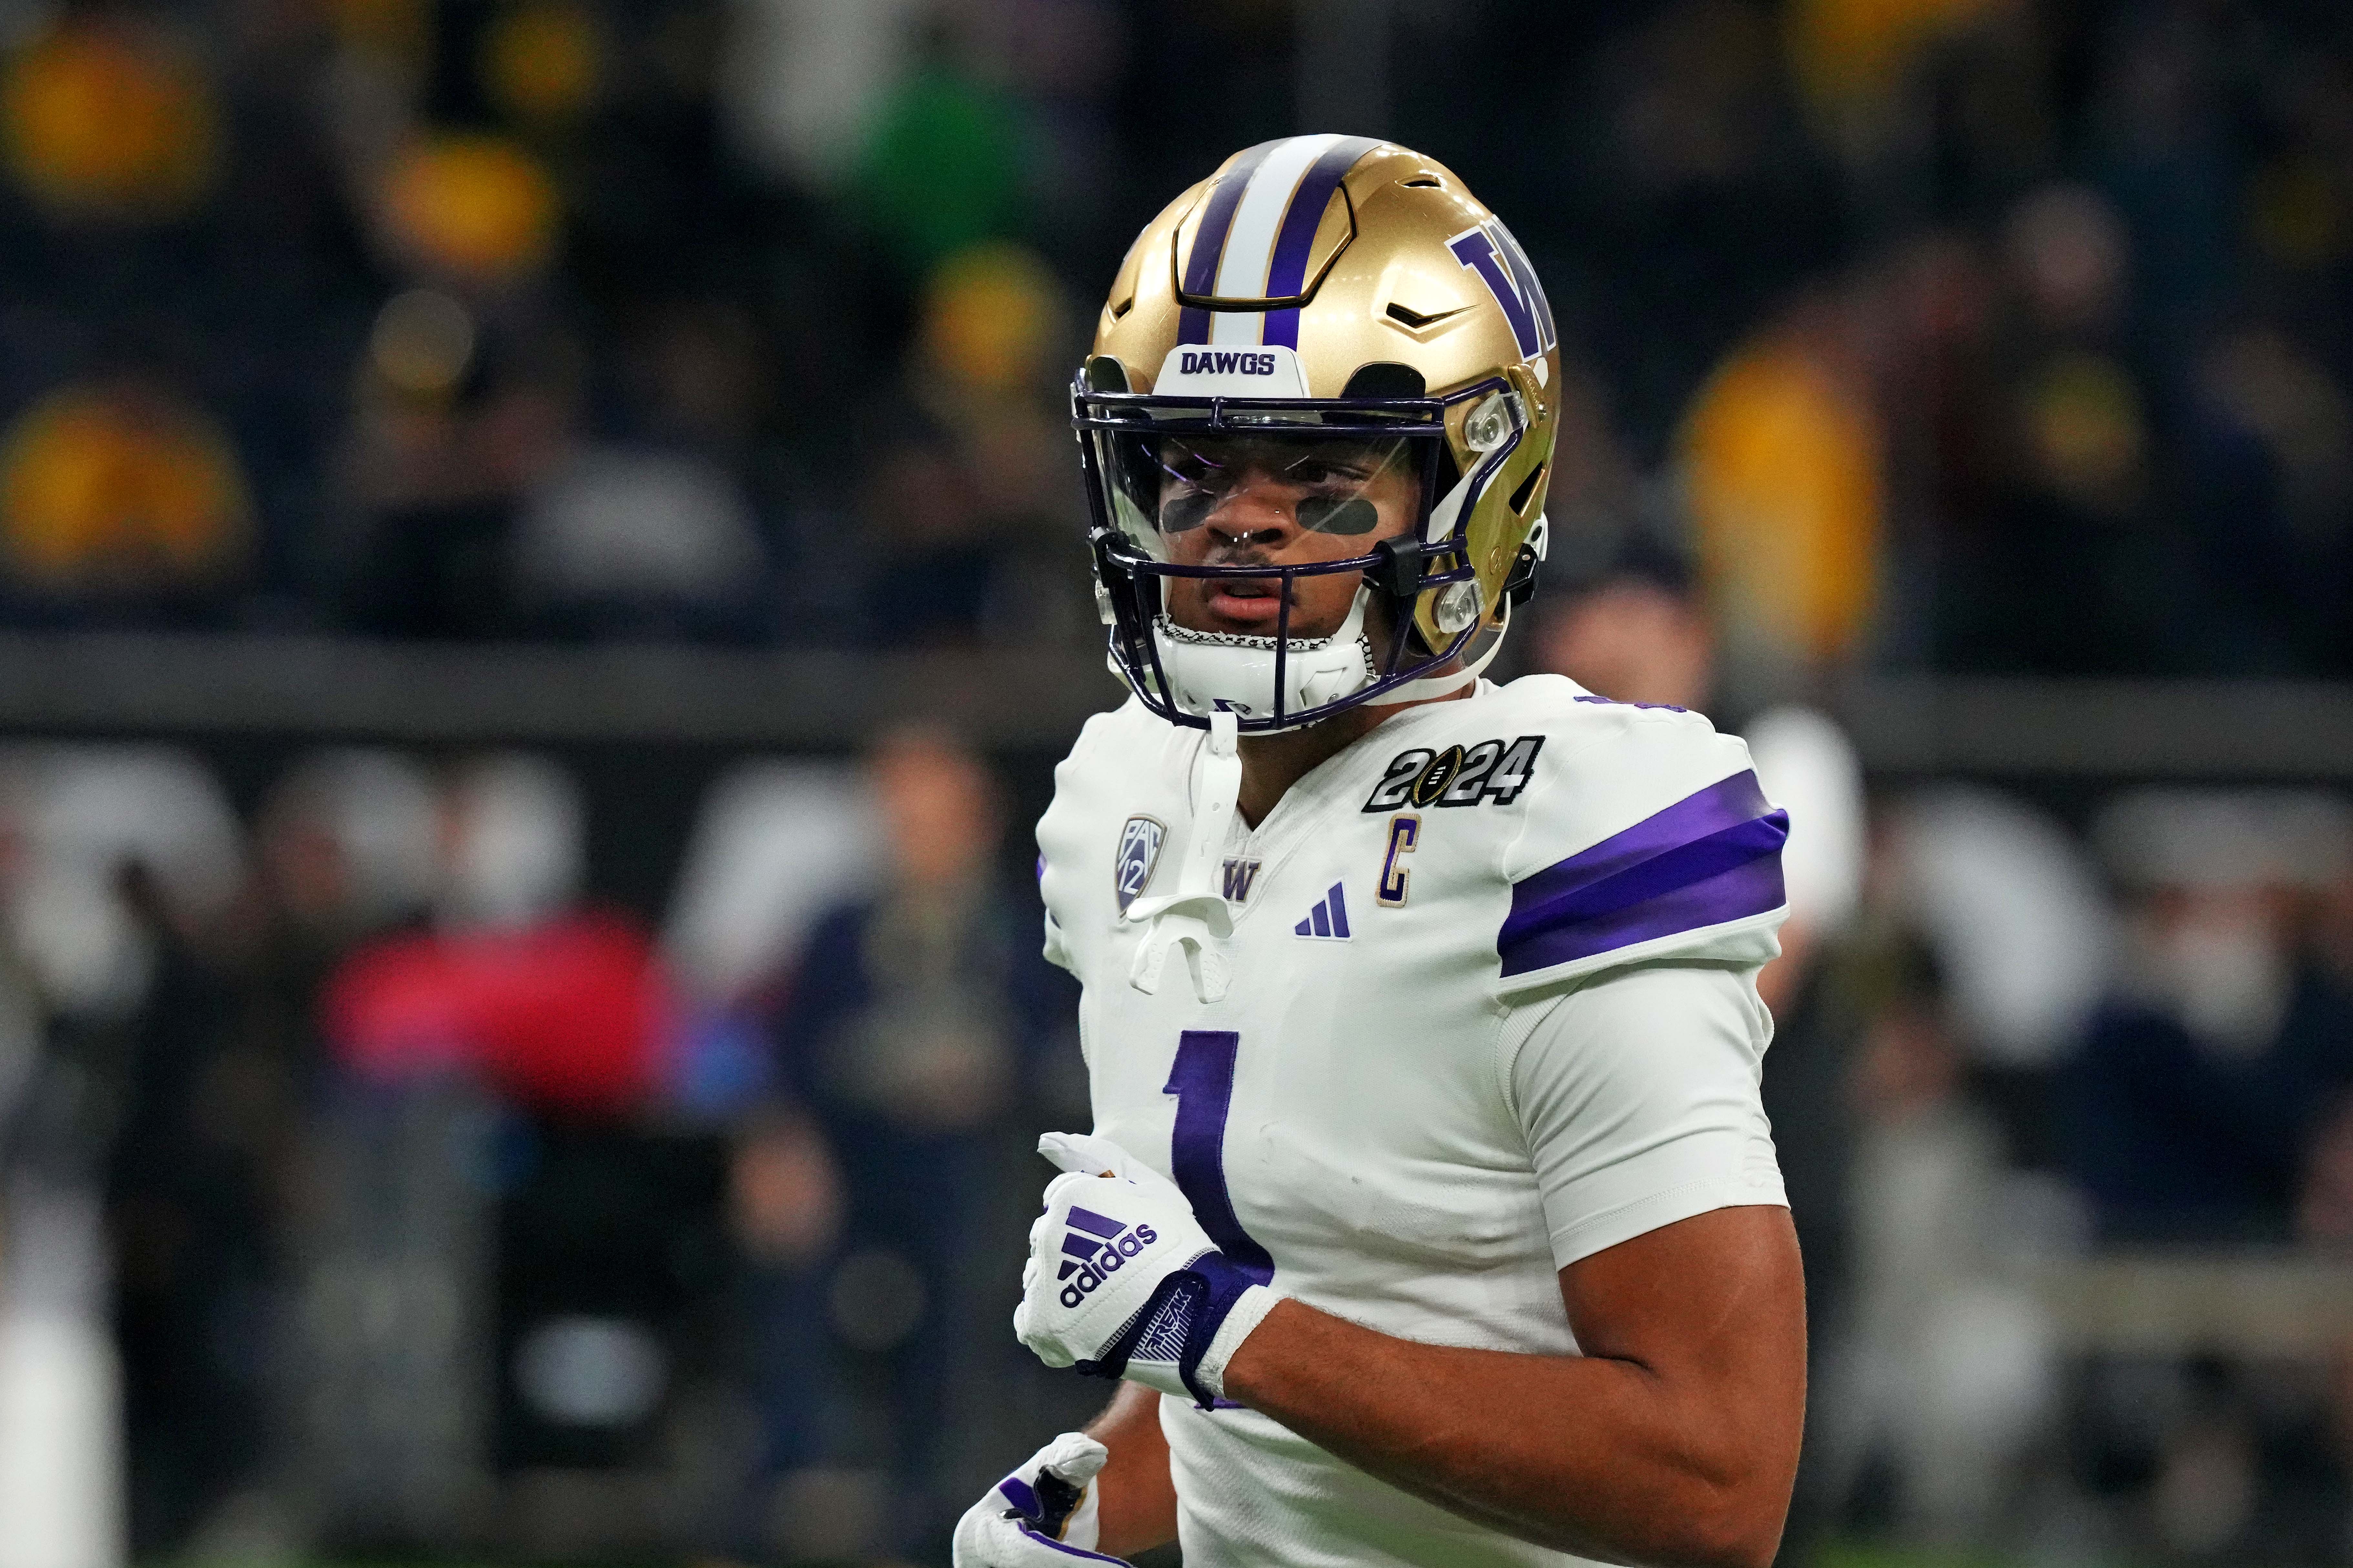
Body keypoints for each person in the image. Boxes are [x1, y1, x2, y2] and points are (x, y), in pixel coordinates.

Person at [953, 136, 1806, 1568]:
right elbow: (1293, 1326)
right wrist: (1103, 1493)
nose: (1240, 516)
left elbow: (1714, 1482)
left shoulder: (1568, 816)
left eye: (1325, 472)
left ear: (1472, 492)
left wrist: (1217, 1329)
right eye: (1192, 464)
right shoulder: (1124, 794)